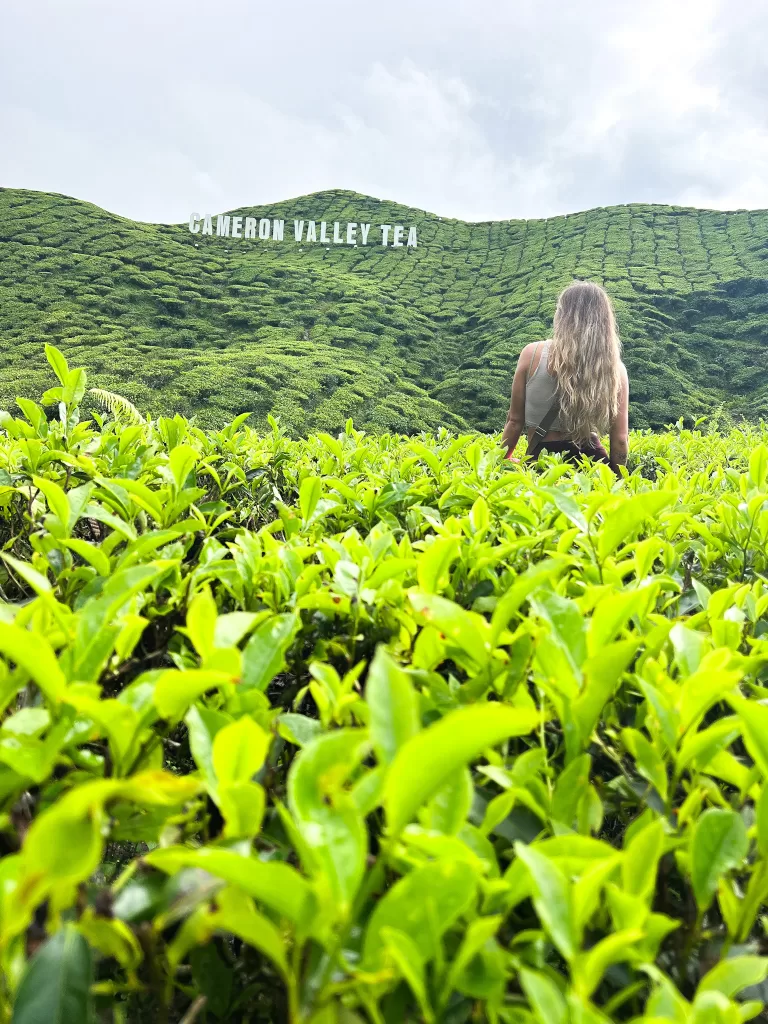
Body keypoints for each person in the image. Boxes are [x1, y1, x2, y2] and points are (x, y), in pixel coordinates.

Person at [501, 280, 629, 472]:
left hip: (541, 461)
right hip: (592, 466)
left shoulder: (532, 354)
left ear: (562, 315)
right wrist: (618, 481)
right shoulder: (614, 369)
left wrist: (503, 459)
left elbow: (514, 421)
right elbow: (619, 439)